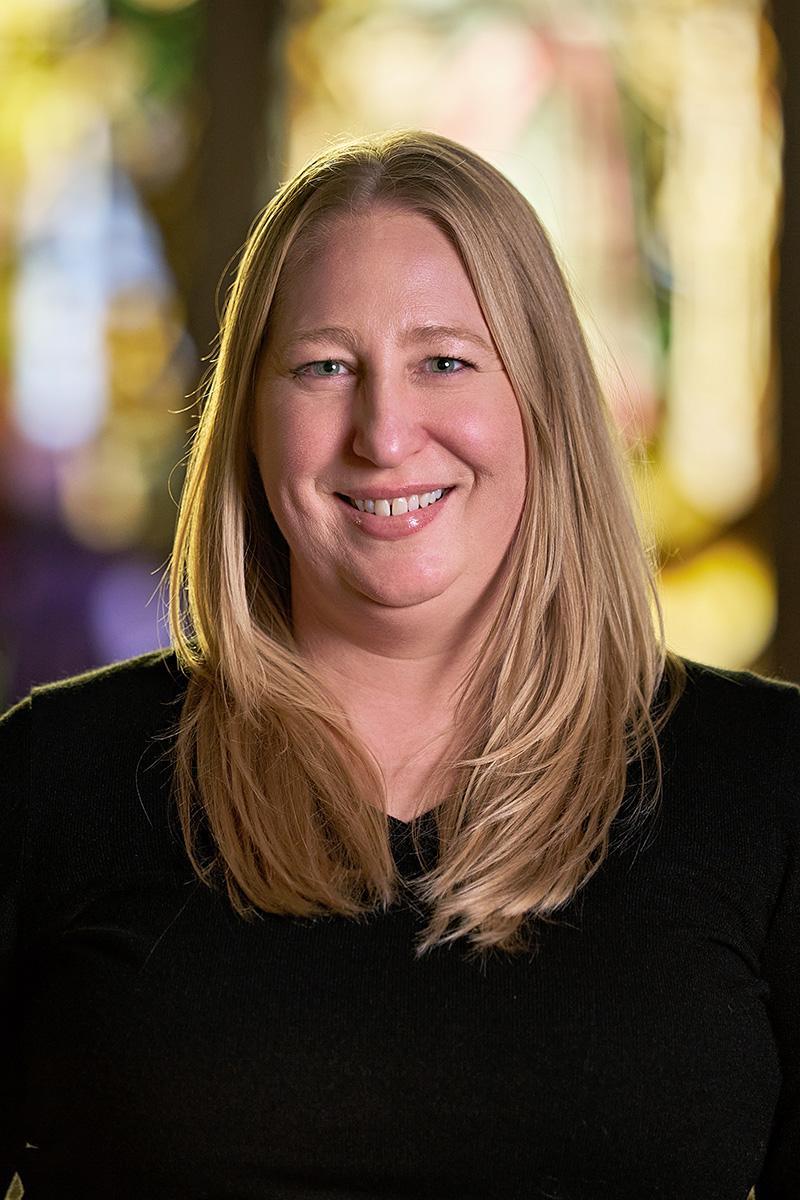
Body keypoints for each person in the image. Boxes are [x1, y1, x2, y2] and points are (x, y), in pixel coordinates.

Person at [0, 129, 796, 1200]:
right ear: (248, 422)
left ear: (543, 405)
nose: (382, 432)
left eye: (444, 361)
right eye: (324, 366)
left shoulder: (769, 785)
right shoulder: (52, 779)